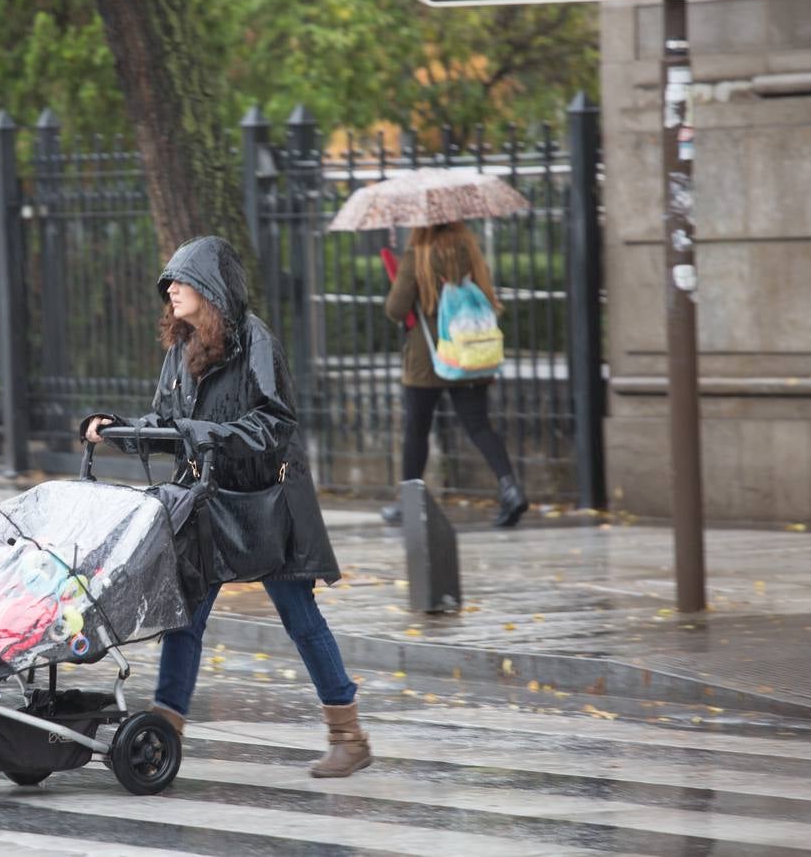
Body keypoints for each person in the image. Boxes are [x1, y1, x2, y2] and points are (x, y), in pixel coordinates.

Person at [83, 236, 372, 779]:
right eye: (167, 281)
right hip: (209, 502)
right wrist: (113, 430)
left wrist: (208, 434)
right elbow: (167, 425)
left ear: (210, 289)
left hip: (267, 505)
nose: (168, 288)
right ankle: (163, 734)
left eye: (180, 280)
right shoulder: (181, 347)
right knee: (184, 614)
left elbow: (276, 423)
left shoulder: (254, 341)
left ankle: (349, 736)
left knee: (300, 617)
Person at [382, 221, 528, 527]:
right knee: (478, 425)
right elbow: (487, 296)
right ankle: (510, 488)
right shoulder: (470, 252)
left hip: (428, 359)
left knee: (417, 430)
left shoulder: (417, 254)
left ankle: (409, 503)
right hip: (469, 352)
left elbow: (396, 309)